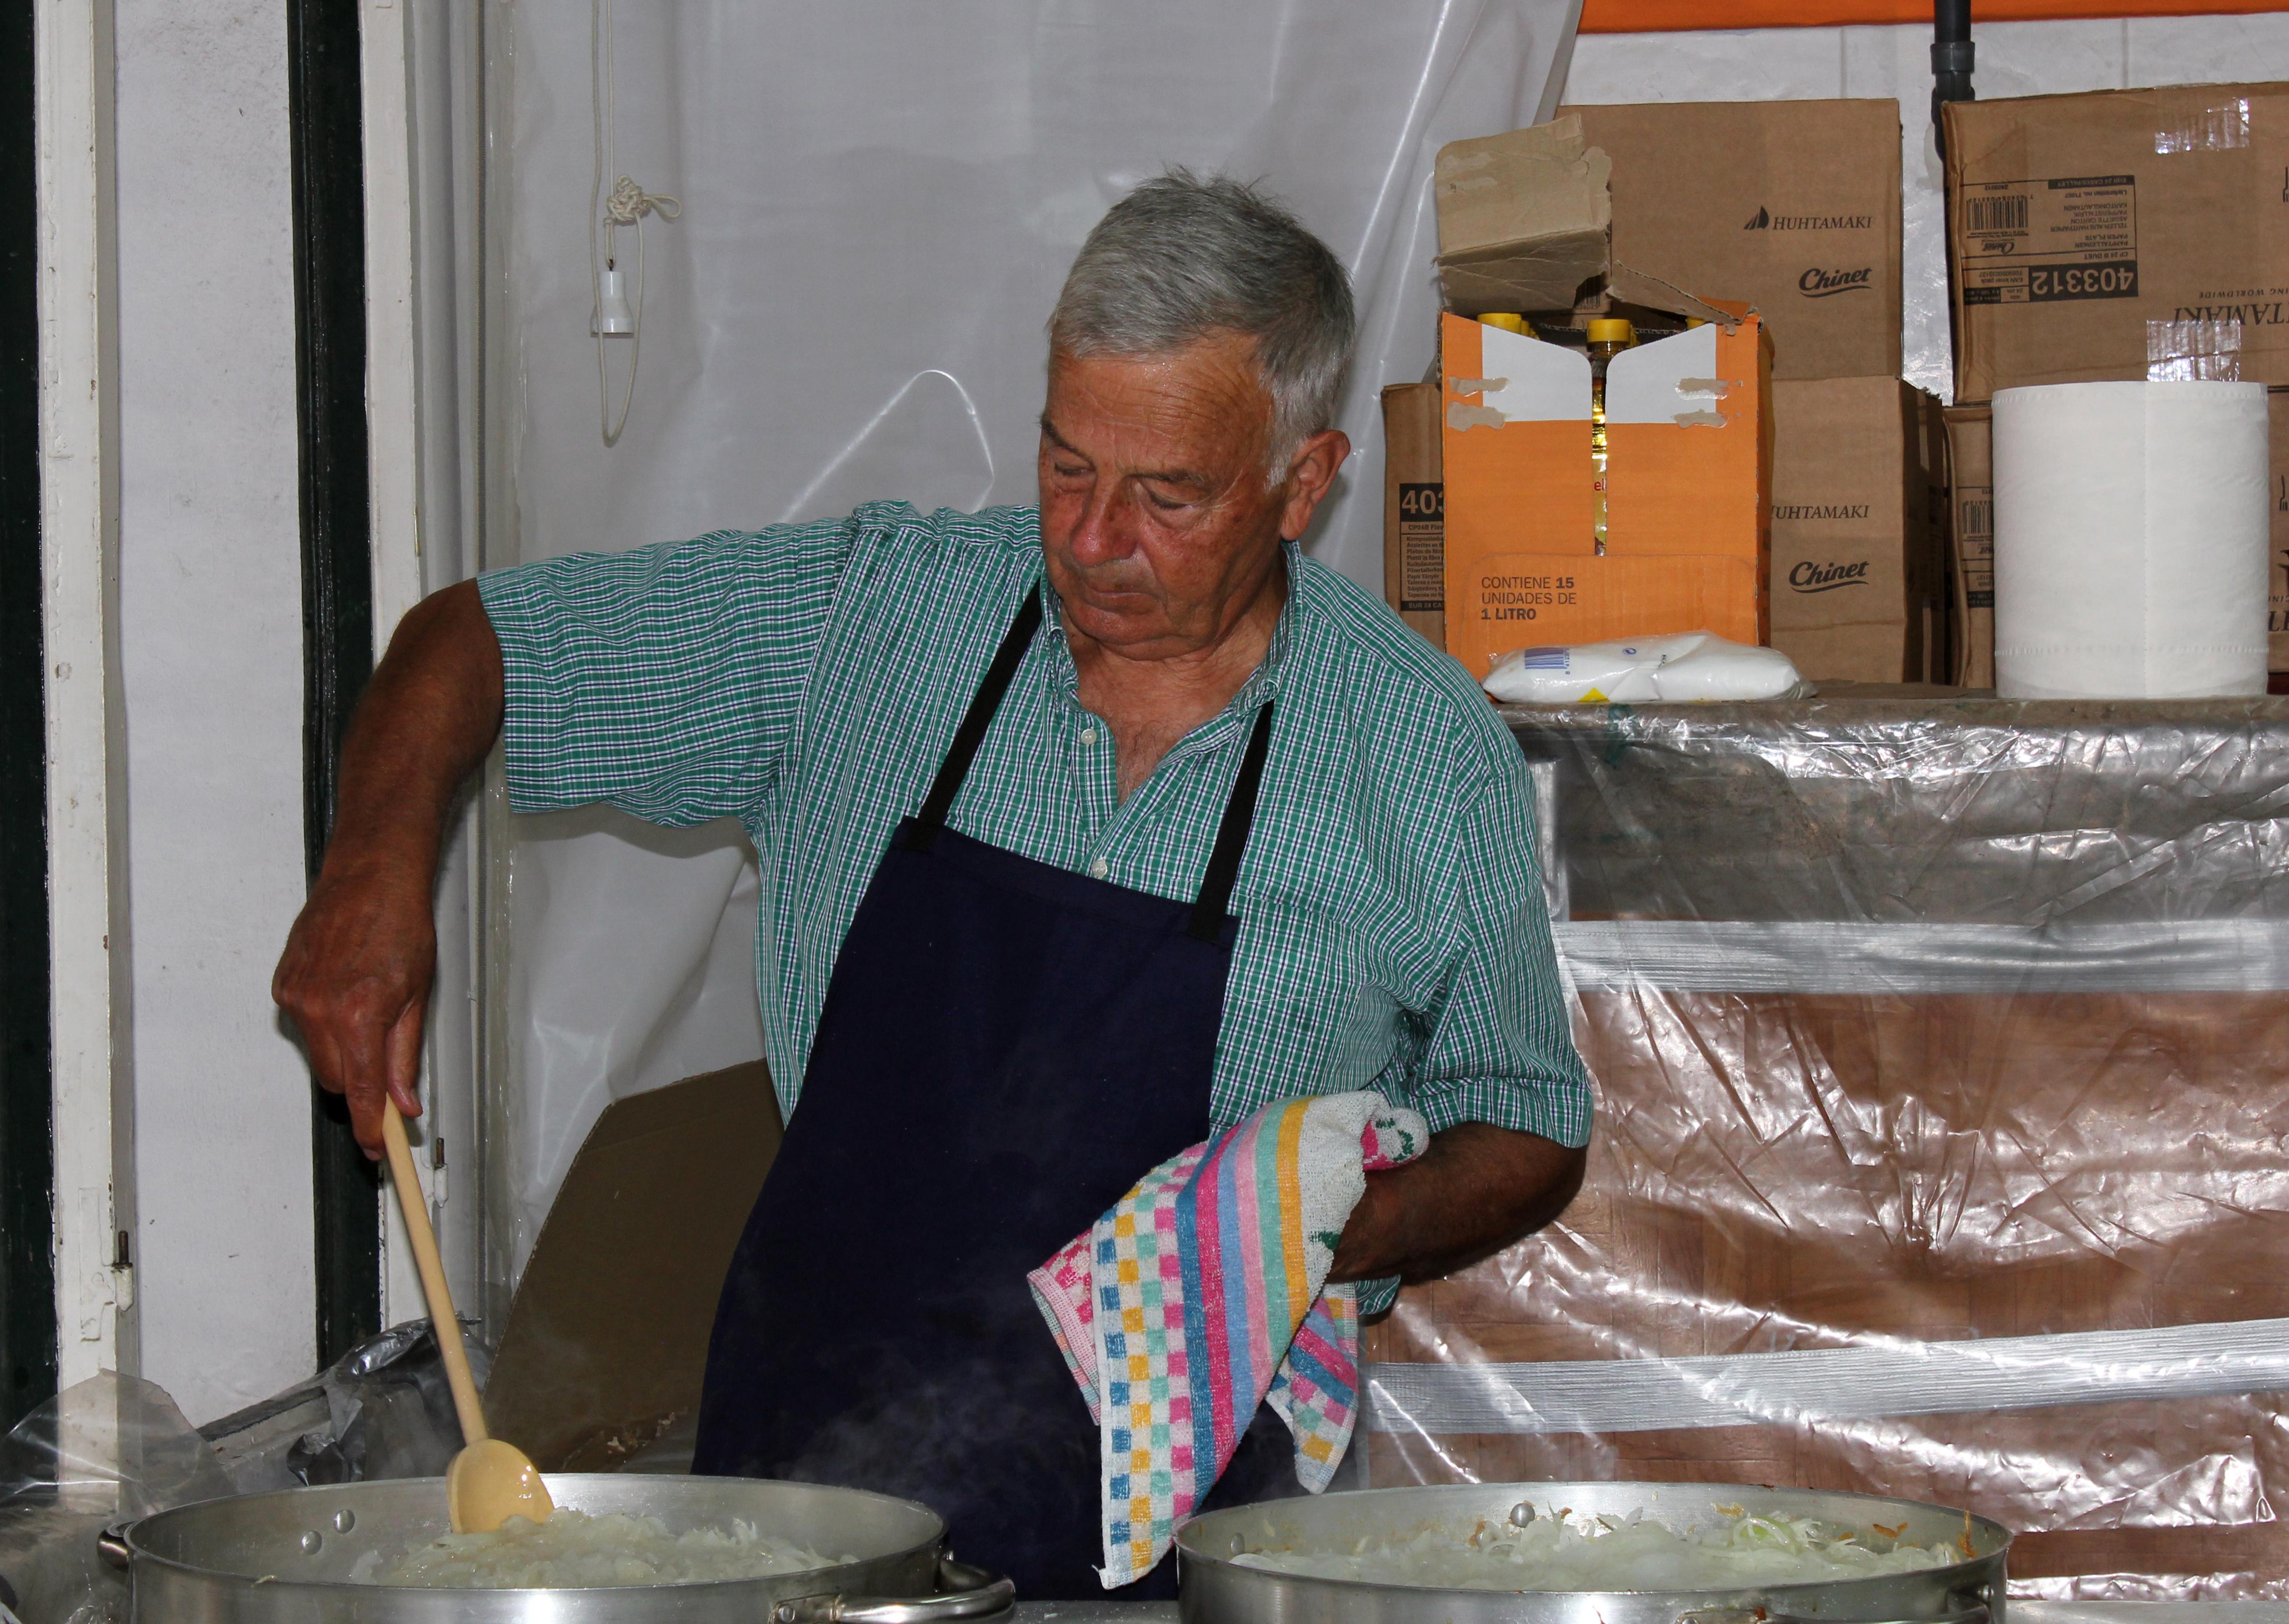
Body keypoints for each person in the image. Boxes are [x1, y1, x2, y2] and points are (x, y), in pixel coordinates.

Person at [274, 171, 1588, 1600]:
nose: (1093, 540)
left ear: (1304, 481)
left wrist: (1312, 1226)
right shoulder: (874, 625)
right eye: (1067, 466)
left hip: (1194, 1555)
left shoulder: (1416, 749)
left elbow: (1526, 1118)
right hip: (811, 1531)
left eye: (1166, 496)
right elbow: (477, 643)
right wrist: (370, 878)